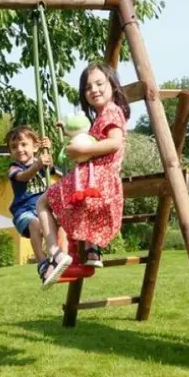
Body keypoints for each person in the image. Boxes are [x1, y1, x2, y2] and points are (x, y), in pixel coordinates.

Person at [35, 63, 130, 286]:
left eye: (99, 84)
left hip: (95, 181)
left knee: (42, 203)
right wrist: (69, 131)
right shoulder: (102, 116)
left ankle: (55, 253)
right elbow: (88, 137)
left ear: (113, 85)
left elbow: (114, 142)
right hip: (97, 182)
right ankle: (91, 251)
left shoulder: (111, 111)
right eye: (88, 87)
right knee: (71, 209)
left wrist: (82, 150)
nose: (94, 90)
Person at [5, 125, 60, 283]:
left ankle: (57, 256)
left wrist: (48, 151)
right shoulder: (14, 168)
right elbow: (23, 177)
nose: (19, 149)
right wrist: (37, 166)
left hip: (43, 209)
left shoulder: (40, 162)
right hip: (24, 211)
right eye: (14, 147)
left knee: (61, 221)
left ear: (35, 147)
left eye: (24, 144)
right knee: (35, 224)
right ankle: (42, 262)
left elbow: (51, 168)